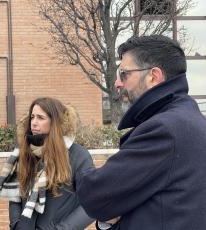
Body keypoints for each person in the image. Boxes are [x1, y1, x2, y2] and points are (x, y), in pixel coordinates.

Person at [76, 34, 206, 230]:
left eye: (124, 74)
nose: (117, 83)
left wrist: (73, 165)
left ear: (154, 76)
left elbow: (95, 194)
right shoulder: (189, 118)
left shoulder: (164, 129)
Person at [0, 97, 94, 229]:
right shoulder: (24, 153)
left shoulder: (77, 155)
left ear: (55, 122)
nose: (34, 123)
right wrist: (16, 224)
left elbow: (92, 202)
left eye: (41, 118)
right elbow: (15, 194)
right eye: (32, 117)